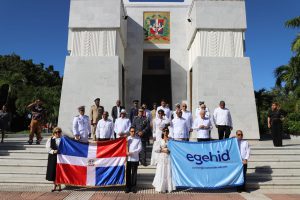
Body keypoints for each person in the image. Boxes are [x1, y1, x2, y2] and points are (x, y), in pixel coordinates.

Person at [152, 128, 175, 193]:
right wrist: (163, 150)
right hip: (162, 157)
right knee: (161, 171)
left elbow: (174, 149)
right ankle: (160, 187)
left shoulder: (170, 140)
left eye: (167, 131)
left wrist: (169, 150)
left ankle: (168, 187)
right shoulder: (160, 140)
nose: (165, 132)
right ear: (162, 132)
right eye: (164, 131)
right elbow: (156, 149)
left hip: (168, 157)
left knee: (167, 171)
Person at [126, 127, 142, 193]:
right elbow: (125, 146)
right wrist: (127, 152)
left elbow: (139, 148)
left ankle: (133, 187)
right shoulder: (127, 139)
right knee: (128, 173)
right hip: (128, 159)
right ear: (129, 132)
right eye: (131, 131)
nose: (133, 132)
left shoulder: (138, 139)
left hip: (135, 158)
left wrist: (132, 152)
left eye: (134, 131)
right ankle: (128, 187)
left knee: (134, 173)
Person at [46, 127, 62, 192]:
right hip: (53, 157)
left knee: (60, 170)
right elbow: (47, 148)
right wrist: (53, 151)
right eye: (56, 132)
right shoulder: (50, 139)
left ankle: (60, 185)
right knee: (53, 171)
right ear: (54, 133)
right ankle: (54, 185)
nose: (57, 133)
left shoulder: (63, 139)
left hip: (61, 157)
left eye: (59, 132)